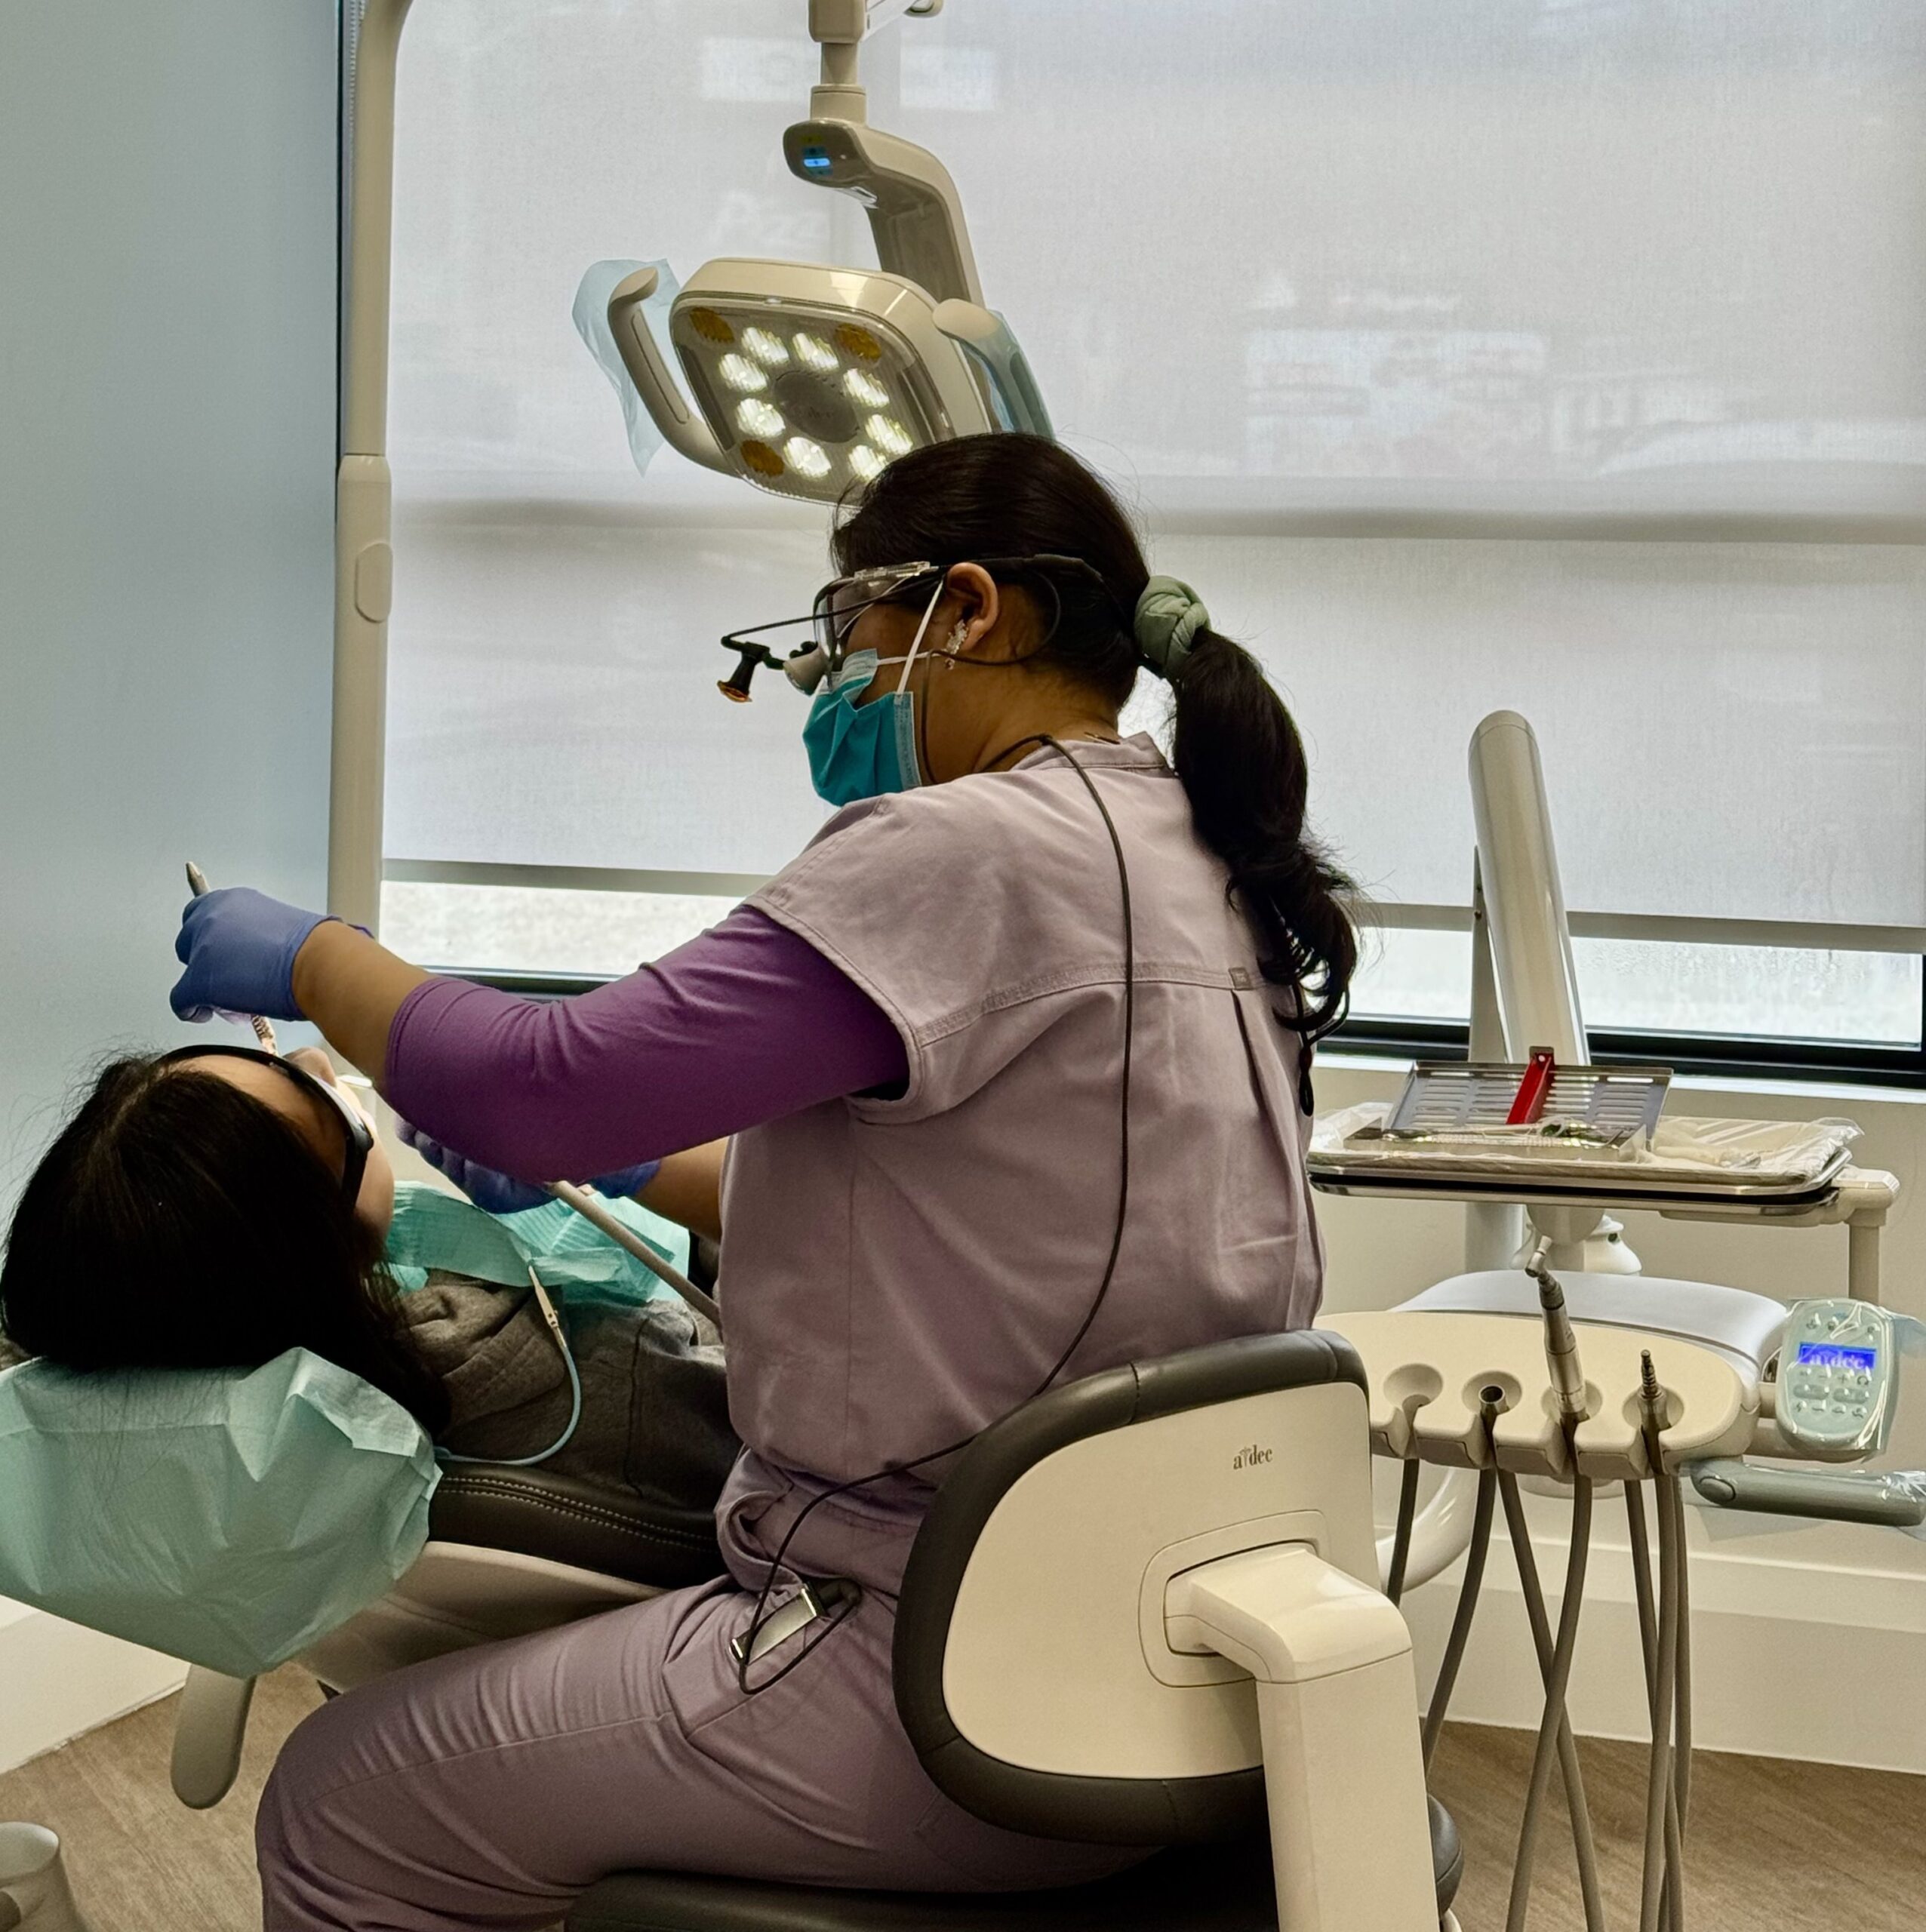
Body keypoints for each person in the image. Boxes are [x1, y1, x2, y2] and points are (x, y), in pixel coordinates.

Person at [167, 432, 1358, 1930]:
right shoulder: (1201, 852)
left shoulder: (962, 850)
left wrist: (314, 958)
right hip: (1168, 1661)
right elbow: (1005, 1229)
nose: (828, 682)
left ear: (966, 608)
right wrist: (639, 1162)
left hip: (939, 1669)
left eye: (845, 630)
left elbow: (539, 1080)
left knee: (347, 1795)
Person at [0, 1045, 737, 1533]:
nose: (316, 1057)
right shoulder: (600, 1370)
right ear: (329, 1238)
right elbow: (773, 1436)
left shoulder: (181, 1336)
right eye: (309, 1094)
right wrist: (681, 1181)